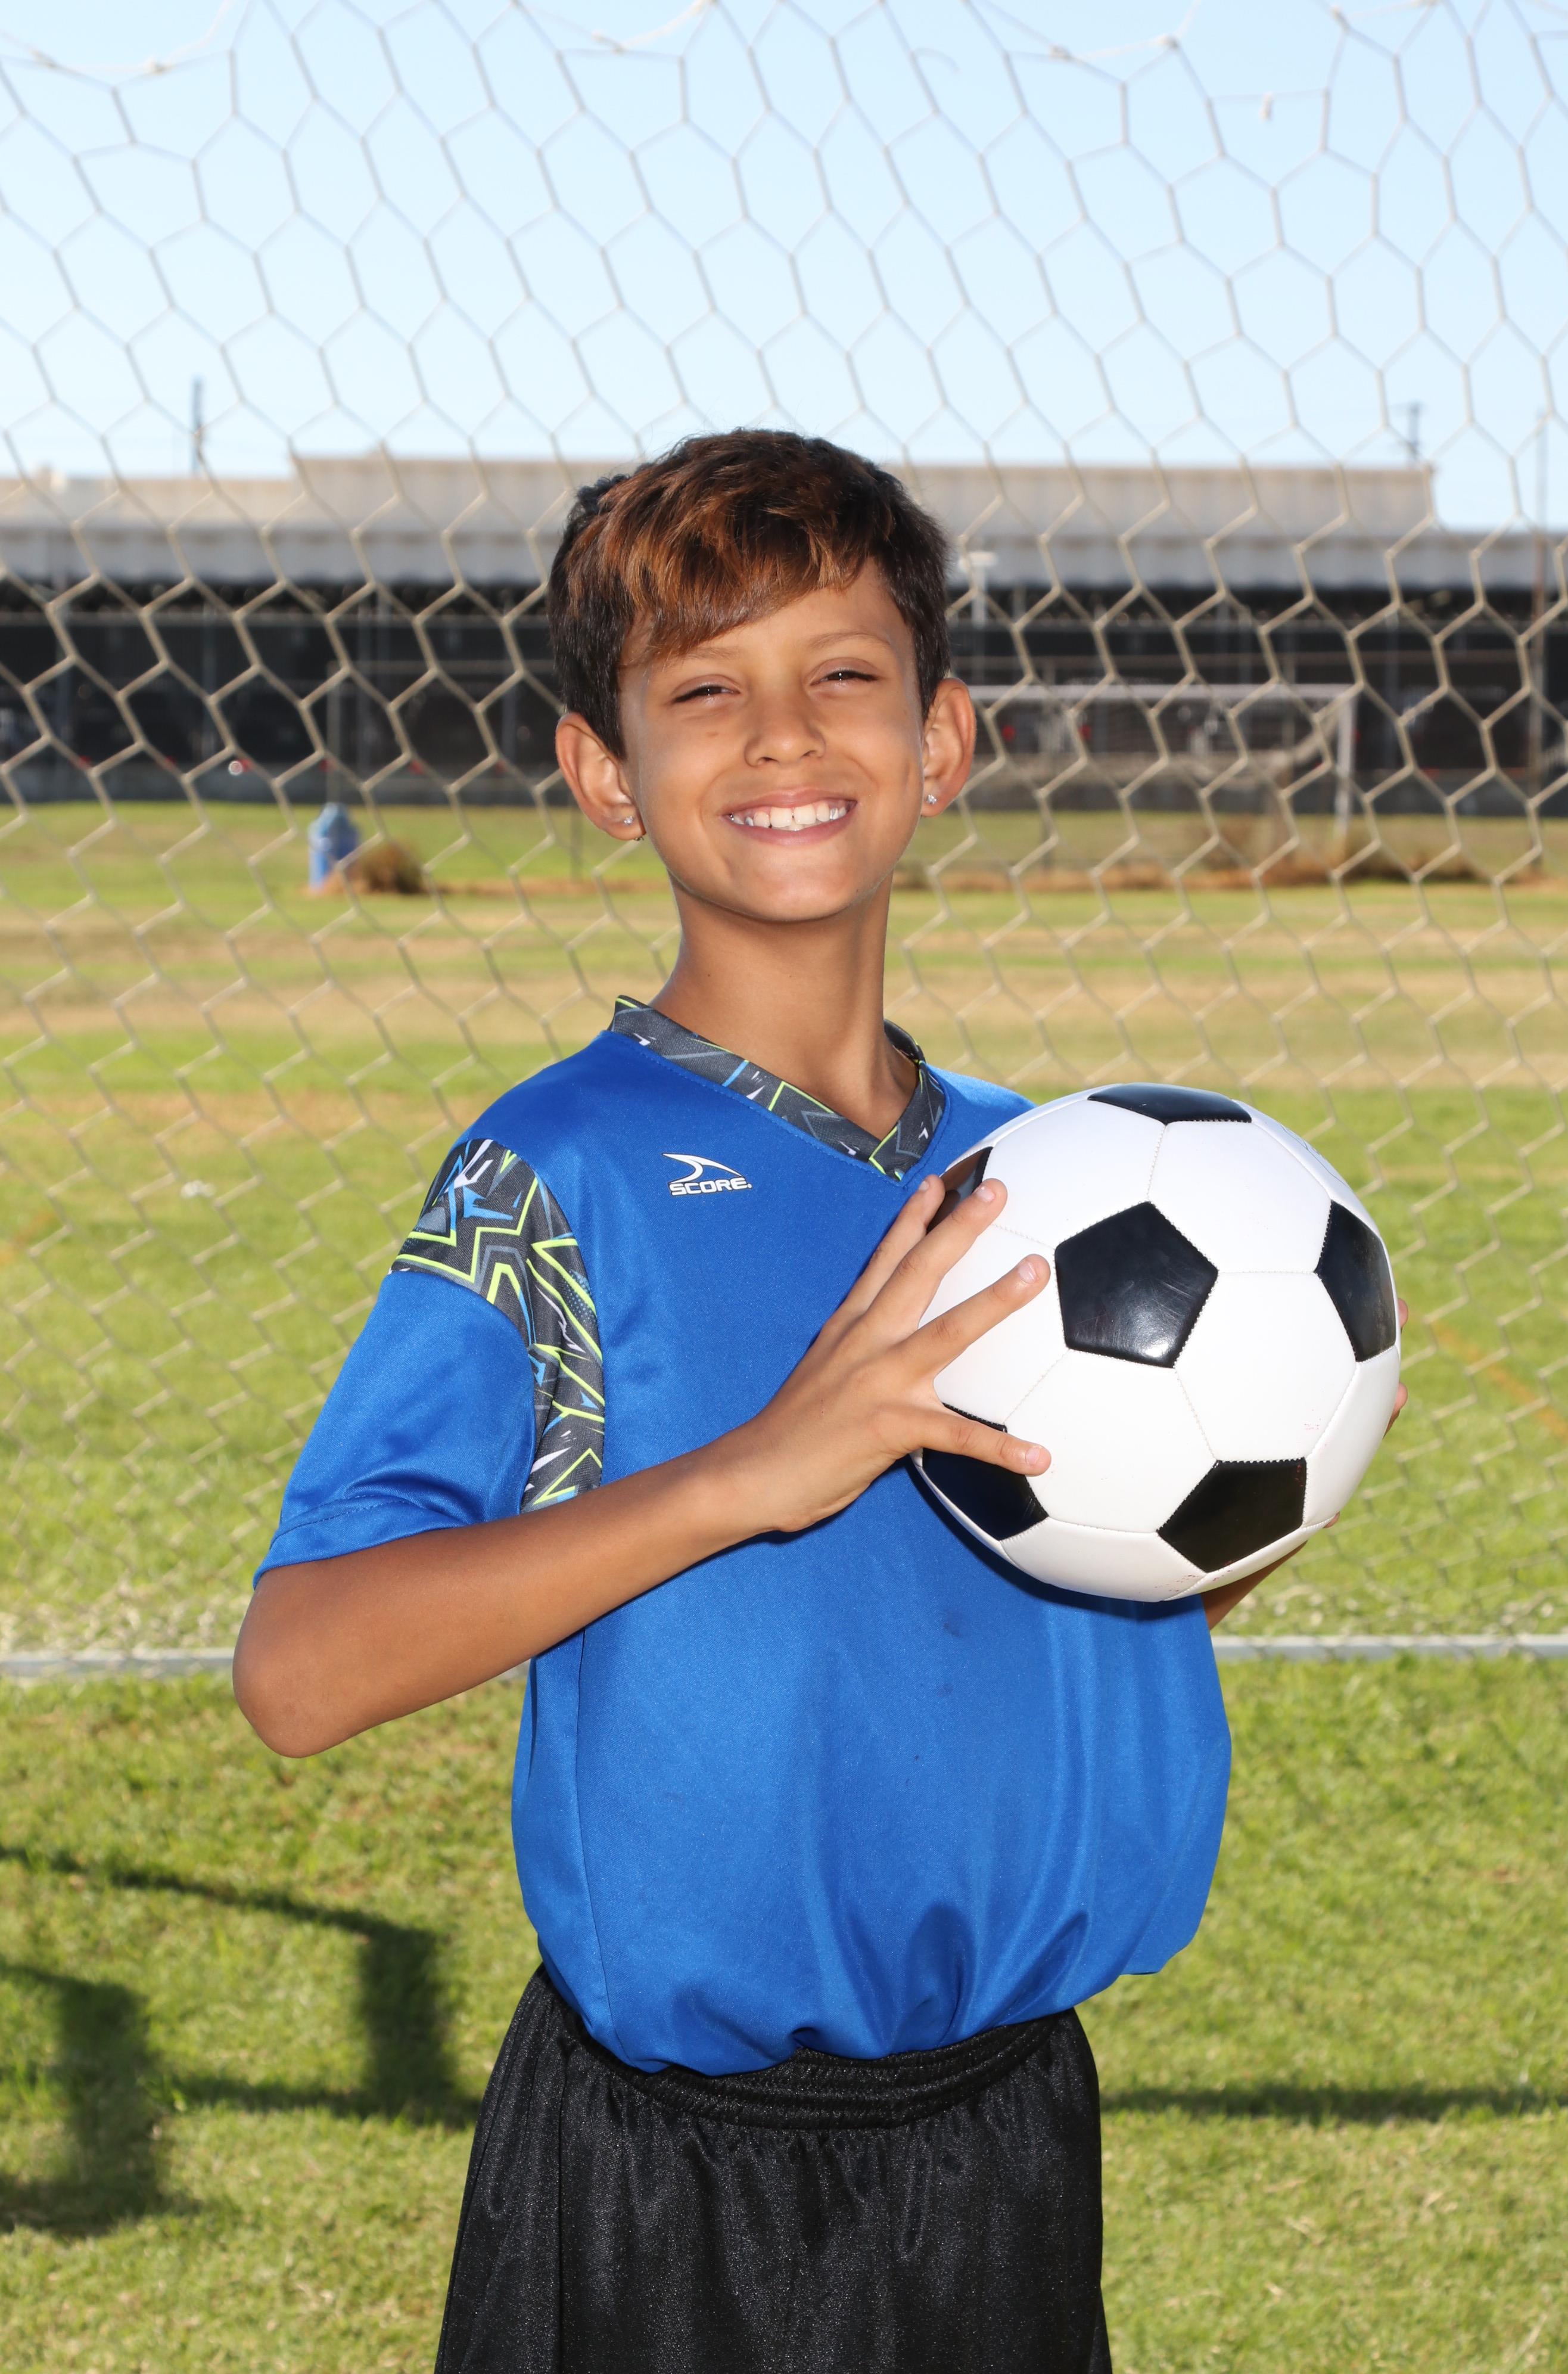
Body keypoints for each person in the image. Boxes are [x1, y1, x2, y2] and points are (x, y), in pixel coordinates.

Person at [235, 431, 1402, 2374]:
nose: (784, 733)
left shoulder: (1057, 1173)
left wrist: (1252, 1476)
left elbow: (1065, 1600)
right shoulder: (556, 1177)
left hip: (1010, 2147)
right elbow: (300, 1670)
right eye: (707, 689)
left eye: (843, 672)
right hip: (675, 2190)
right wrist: (753, 1474)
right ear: (606, 774)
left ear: (942, 740)